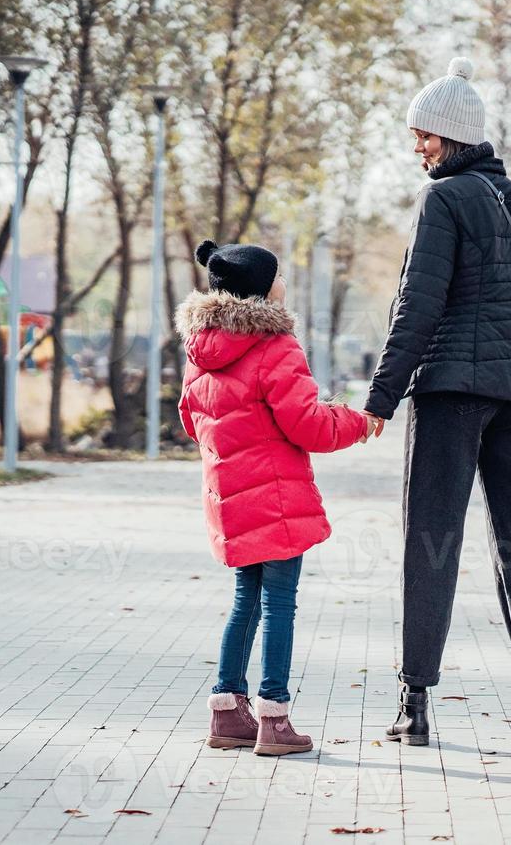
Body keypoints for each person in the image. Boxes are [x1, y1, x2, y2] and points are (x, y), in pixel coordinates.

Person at [361, 57, 511, 746]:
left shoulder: (443, 200)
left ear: (450, 136)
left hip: (449, 390)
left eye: (423, 135)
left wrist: (383, 394)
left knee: (432, 541)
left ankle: (414, 705)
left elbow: (420, 302)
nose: (416, 146)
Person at [176, 239, 371, 757]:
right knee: (279, 603)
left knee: (246, 601)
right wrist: (355, 420)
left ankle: (226, 713)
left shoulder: (200, 352)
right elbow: (308, 425)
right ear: (261, 289)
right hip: (278, 500)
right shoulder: (274, 346)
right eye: (278, 276)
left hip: (232, 499)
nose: (284, 283)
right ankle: (274, 717)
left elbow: (192, 422)